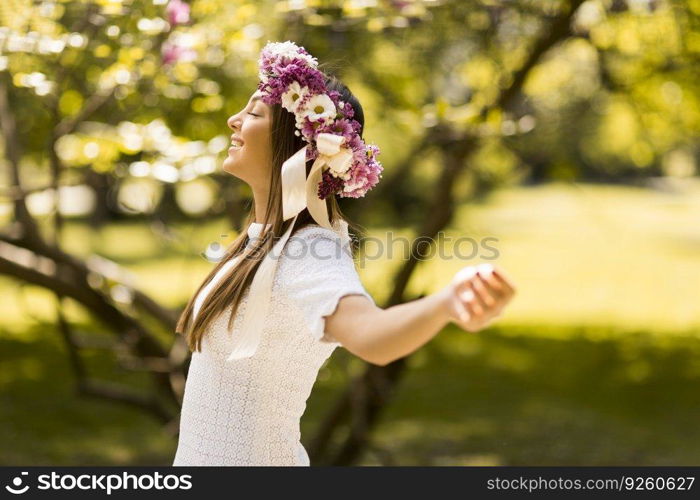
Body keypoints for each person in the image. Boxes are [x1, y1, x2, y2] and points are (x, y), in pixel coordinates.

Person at [172, 41, 516, 466]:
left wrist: (446, 304)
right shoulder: (260, 238)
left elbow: (372, 337)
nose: (234, 120)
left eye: (254, 114)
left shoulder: (309, 251)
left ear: (294, 144)